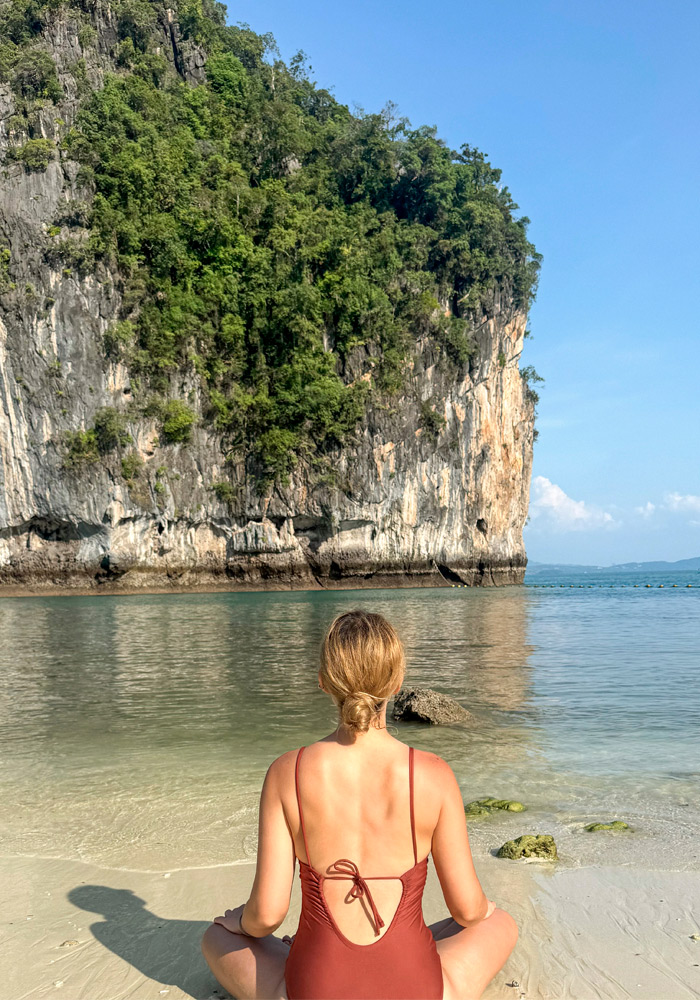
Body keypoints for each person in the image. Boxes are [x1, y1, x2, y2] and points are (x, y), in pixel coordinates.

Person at [201, 609, 518, 999]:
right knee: (496, 921)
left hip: (314, 989)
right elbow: (467, 911)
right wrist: (485, 909)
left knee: (216, 936)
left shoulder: (288, 772)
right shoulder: (433, 774)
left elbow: (266, 916)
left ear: (323, 682)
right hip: (417, 990)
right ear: (398, 682)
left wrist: (237, 921)